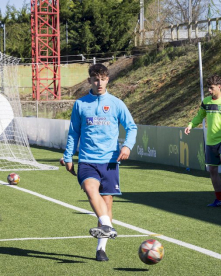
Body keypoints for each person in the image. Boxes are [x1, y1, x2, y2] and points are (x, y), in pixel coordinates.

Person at [62, 63, 137, 261]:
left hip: (110, 161)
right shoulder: (80, 104)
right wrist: (68, 156)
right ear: (90, 81)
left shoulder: (116, 103)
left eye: (103, 79)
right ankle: (107, 225)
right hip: (87, 159)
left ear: (108, 79)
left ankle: (101, 249)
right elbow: (74, 132)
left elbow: (131, 127)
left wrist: (127, 146)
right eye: (96, 79)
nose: (99, 82)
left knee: (106, 202)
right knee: (90, 189)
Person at [184, 74, 221, 207]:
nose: (209, 91)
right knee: (212, 170)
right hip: (211, 140)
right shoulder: (206, 102)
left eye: (211, 88)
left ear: (219, 87)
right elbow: (199, 117)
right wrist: (190, 125)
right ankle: (219, 199)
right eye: (208, 88)